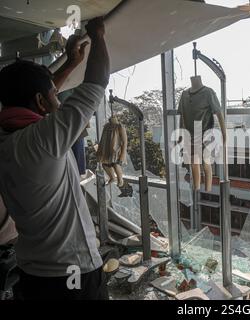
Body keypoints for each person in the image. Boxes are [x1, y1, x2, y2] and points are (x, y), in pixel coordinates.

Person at [0, 17, 110, 300]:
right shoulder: (42, 139)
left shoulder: (8, 137)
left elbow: (38, 94)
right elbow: (96, 84)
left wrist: (70, 63)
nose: (59, 101)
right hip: (72, 274)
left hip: (32, 274)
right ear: (40, 102)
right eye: (55, 96)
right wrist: (98, 35)